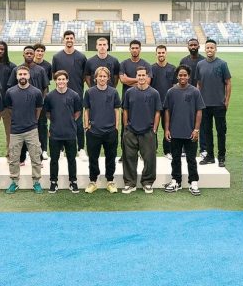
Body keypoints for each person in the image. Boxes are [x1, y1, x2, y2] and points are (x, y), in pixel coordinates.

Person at [163, 65, 205, 196]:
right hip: (175, 132)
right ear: (177, 76)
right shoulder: (171, 92)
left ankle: (193, 182)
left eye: (185, 75)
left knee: (191, 159)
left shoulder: (195, 92)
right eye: (180, 75)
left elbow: (199, 111)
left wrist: (196, 130)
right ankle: (176, 181)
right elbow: (167, 111)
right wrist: (167, 129)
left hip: (190, 132)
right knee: (175, 158)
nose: (182, 77)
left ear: (188, 76)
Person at [4, 66, 44, 194]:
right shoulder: (10, 92)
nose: (22, 76)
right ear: (16, 76)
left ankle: (36, 182)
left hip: (31, 129)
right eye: (20, 74)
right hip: (15, 130)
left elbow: (38, 109)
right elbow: (9, 109)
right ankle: (14, 182)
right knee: (14, 158)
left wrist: (32, 121)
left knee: (36, 157)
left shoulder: (36, 92)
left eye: (24, 74)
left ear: (29, 76)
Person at [122, 67, 161, 194]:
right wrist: (126, 127)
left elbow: (157, 112)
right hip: (131, 131)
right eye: (139, 75)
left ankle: (147, 182)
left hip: (147, 131)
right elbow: (125, 110)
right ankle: (130, 183)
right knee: (129, 158)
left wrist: (154, 128)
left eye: (143, 75)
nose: (141, 77)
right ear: (136, 76)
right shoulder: (129, 92)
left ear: (147, 76)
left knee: (149, 158)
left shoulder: (154, 93)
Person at [7, 46, 49, 166]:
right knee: (22, 132)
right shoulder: (17, 69)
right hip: (21, 108)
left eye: (31, 53)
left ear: (34, 54)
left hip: (37, 107)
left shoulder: (40, 70)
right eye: (27, 53)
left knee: (38, 131)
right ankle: (21, 157)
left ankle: (39, 157)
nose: (29, 55)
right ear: (23, 54)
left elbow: (45, 87)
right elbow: (11, 87)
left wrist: (41, 100)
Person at [83, 66, 121, 194]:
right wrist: (86, 126)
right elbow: (86, 110)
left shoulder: (114, 92)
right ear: (95, 78)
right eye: (100, 76)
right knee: (93, 158)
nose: (102, 78)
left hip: (110, 131)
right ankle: (93, 181)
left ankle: (110, 181)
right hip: (94, 131)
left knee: (111, 156)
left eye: (104, 76)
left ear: (108, 78)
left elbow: (117, 110)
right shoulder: (89, 92)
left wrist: (116, 127)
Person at [51, 30, 87, 160]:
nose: (69, 40)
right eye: (67, 38)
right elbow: (54, 75)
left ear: (74, 39)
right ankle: (61, 150)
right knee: (61, 122)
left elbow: (84, 75)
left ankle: (81, 148)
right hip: (60, 95)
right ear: (63, 39)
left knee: (78, 122)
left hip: (77, 94)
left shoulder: (82, 57)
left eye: (71, 38)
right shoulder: (57, 57)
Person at [196, 39, 232, 167]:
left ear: (215, 49)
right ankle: (210, 156)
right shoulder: (200, 65)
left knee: (221, 131)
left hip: (219, 104)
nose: (209, 50)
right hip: (205, 105)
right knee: (207, 132)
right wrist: (198, 101)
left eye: (212, 48)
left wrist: (226, 101)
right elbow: (198, 84)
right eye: (208, 48)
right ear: (205, 49)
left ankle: (221, 157)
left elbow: (228, 82)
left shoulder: (222, 64)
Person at [44, 70, 82, 194]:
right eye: (58, 79)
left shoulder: (74, 95)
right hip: (55, 133)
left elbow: (77, 112)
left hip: (70, 133)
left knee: (71, 159)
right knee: (54, 159)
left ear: (67, 80)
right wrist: (56, 122)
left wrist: (69, 121)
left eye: (63, 79)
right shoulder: (50, 96)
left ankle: (73, 181)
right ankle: (53, 182)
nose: (61, 81)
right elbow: (48, 113)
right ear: (55, 81)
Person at [119, 39, 151, 162]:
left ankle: (142, 153)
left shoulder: (146, 64)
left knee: (143, 128)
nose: (134, 50)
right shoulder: (124, 64)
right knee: (126, 128)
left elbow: (147, 82)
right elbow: (123, 80)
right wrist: (139, 81)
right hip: (128, 102)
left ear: (140, 49)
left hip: (143, 103)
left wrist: (130, 79)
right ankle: (125, 153)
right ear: (130, 49)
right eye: (132, 48)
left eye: (137, 48)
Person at [179, 38, 206, 156]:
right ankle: (185, 148)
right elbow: (180, 78)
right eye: (191, 45)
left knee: (202, 123)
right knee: (187, 121)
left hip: (200, 95)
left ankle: (203, 149)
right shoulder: (183, 60)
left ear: (199, 46)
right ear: (188, 46)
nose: (193, 47)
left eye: (195, 45)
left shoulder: (203, 61)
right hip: (186, 95)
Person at [150, 44, 176, 159]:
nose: (161, 55)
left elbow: (175, 87)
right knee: (152, 127)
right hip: (154, 104)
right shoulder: (151, 68)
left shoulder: (173, 68)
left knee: (168, 128)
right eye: (159, 53)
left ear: (166, 53)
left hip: (168, 104)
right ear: (156, 54)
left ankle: (168, 151)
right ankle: (152, 151)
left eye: (163, 52)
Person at [33, 43, 52, 161]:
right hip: (30, 101)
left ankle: (44, 150)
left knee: (43, 125)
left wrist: (43, 98)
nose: (39, 53)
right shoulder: (29, 65)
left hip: (43, 100)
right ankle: (31, 150)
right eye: (38, 51)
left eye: (41, 51)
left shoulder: (47, 65)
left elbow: (47, 82)